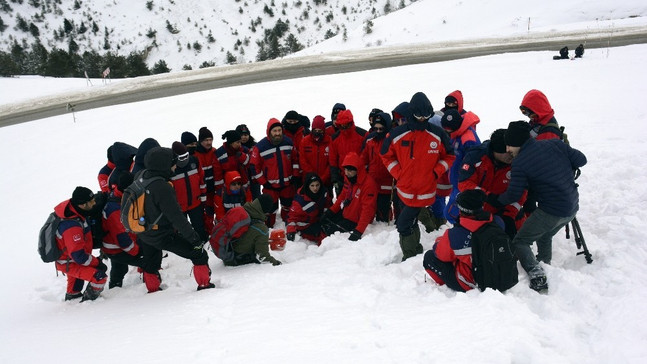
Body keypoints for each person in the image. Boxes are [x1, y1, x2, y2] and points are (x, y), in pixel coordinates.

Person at [487, 121, 587, 292]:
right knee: (545, 235)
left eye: (509, 145)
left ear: (517, 143)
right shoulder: (555, 144)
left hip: (552, 210)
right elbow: (582, 160)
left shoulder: (520, 163)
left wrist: (494, 200)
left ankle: (536, 273)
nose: (508, 150)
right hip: (572, 207)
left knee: (520, 241)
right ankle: (544, 264)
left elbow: (514, 195)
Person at [381, 92, 455, 261]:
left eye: (426, 115)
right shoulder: (397, 134)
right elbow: (385, 155)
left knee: (404, 224)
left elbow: (449, 156)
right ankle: (414, 253)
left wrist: (435, 172)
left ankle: (410, 255)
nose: (422, 119)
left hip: (425, 191)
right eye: (418, 115)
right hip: (404, 190)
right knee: (410, 221)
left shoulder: (437, 134)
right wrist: (398, 173)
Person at [137, 146, 215, 293]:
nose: (174, 166)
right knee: (198, 253)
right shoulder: (162, 187)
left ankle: (153, 290)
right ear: (163, 165)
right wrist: (194, 239)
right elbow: (177, 217)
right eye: (172, 163)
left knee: (150, 261)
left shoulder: (141, 176)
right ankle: (205, 285)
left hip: (143, 230)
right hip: (161, 233)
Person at [423, 189, 502, 292]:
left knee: (429, 257)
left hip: (471, 282)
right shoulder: (498, 222)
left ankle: (445, 287)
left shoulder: (455, 235)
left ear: (461, 210)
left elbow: (440, 253)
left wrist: (441, 240)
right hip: (499, 274)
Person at [458, 129, 526, 238]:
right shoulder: (476, 156)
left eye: (512, 151)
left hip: (504, 210)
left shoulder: (519, 162)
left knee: (516, 229)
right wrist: (487, 196)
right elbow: (464, 182)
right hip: (477, 209)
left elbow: (521, 191)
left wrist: (509, 215)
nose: (511, 155)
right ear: (496, 150)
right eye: (506, 152)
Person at [53, 186, 107, 302]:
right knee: (99, 277)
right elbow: (80, 257)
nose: (94, 203)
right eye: (91, 202)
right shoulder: (71, 226)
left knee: (75, 285)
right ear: (82, 204)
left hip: (70, 258)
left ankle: (72, 298)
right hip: (71, 261)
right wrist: (97, 263)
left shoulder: (74, 211)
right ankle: (90, 303)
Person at [250, 118, 300, 227]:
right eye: (274, 131)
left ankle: (287, 225)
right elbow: (254, 167)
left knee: (288, 206)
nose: (277, 133)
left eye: (279, 130)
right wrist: (264, 182)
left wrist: (295, 175)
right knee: (269, 210)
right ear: (269, 131)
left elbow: (295, 160)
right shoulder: (260, 147)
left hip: (287, 184)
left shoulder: (289, 142)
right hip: (270, 186)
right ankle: (269, 228)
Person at [101, 172, 145, 289]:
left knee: (119, 268)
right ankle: (150, 283)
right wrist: (137, 252)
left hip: (115, 246)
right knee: (147, 260)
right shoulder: (115, 209)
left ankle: (115, 287)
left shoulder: (119, 197)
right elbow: (122, 238)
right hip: (116, 248)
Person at [321, 152, 377, 241]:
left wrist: (358, 231)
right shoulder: (349, 179)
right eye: (346, 170)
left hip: (356, 221)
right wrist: (331, 211)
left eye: (350, 170)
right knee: (323, 222)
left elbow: (367, 210)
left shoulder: (368, 184)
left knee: (330, 232)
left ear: (358, 170)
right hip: (347, 214)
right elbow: (342, 196)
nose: (347, 173)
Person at [441, 108, 481, 224]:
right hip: (456, 182)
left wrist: (467, 184)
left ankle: (464, 232)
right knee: (453, 213)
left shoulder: (468, 139)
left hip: (463, 184)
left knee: (450, 213)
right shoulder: (457, 134)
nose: (447, 132)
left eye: (449, 129)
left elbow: (476, 163)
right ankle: (461, 233)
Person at [222, 194, 282, 266]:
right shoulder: (261, 229)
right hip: (236, 259)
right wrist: (276, 263)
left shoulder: (242, 211)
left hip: (226, 252)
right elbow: (262, 257)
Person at [170, 141, 209, 242]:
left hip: (195, 202)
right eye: (181, 157)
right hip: (179, 206)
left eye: (185, 156)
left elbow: (202, 178)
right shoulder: (170, 167)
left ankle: (202, 241)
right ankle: (185, 245)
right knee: (181, 228)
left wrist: (203, 193)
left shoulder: (194, 161)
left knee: (199, 225)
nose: (184, 159)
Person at [361, 112, 395, 222]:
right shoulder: (370, 141)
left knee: (383, 216)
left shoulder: (392, 141)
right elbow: (363, 158)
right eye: (376, 129)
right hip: (372, 182)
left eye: (381, 129)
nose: (378, 131)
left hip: (388, 183)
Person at [329, 109, 367, 196]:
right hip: (342, 177)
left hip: (359, 177)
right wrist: (335, 178)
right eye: (342, 125)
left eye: (346, 125)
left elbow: (365, 156)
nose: (344, 128)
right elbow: (332, 159)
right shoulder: (335, 138)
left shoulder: (362, 135)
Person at [194, 126, 223, 234]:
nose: (209, 142)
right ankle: (208, 231)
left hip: (214, 188)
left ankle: (215, 230)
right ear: (200, 141)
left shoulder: (214, 151)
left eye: (210, 140)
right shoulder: (195, 155)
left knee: (215, 210)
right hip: (201, 190)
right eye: (206, 140)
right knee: (205, 212)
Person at [299, 115, 333, 204]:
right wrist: (312, 177)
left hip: (325, 181)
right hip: (309, 181)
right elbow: (302, 160)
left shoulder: (329, 141)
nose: (317, 133)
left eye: (320, 131)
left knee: (326, 203)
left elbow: (331, 162)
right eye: (315, 131)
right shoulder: (305, 141)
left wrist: (323, 178)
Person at [286, 173, 328, 245]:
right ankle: (324, 251)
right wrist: (290, 231)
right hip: (305, 225)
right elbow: (291, 217)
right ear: (307, 186)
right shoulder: (300, 201)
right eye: (312, 185)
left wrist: (327, 214)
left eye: (317, 185)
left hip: (318, 219)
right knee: (323, 233)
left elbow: (327, 204)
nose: (315, 188)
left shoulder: (323, 192)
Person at [236, 124, 260, 198]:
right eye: (241, 135)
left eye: (246, 135)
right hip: (241, 178)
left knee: (256, 197)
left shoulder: (255, 146)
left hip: (254, 177)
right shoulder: (234, 147)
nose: (244, 137)